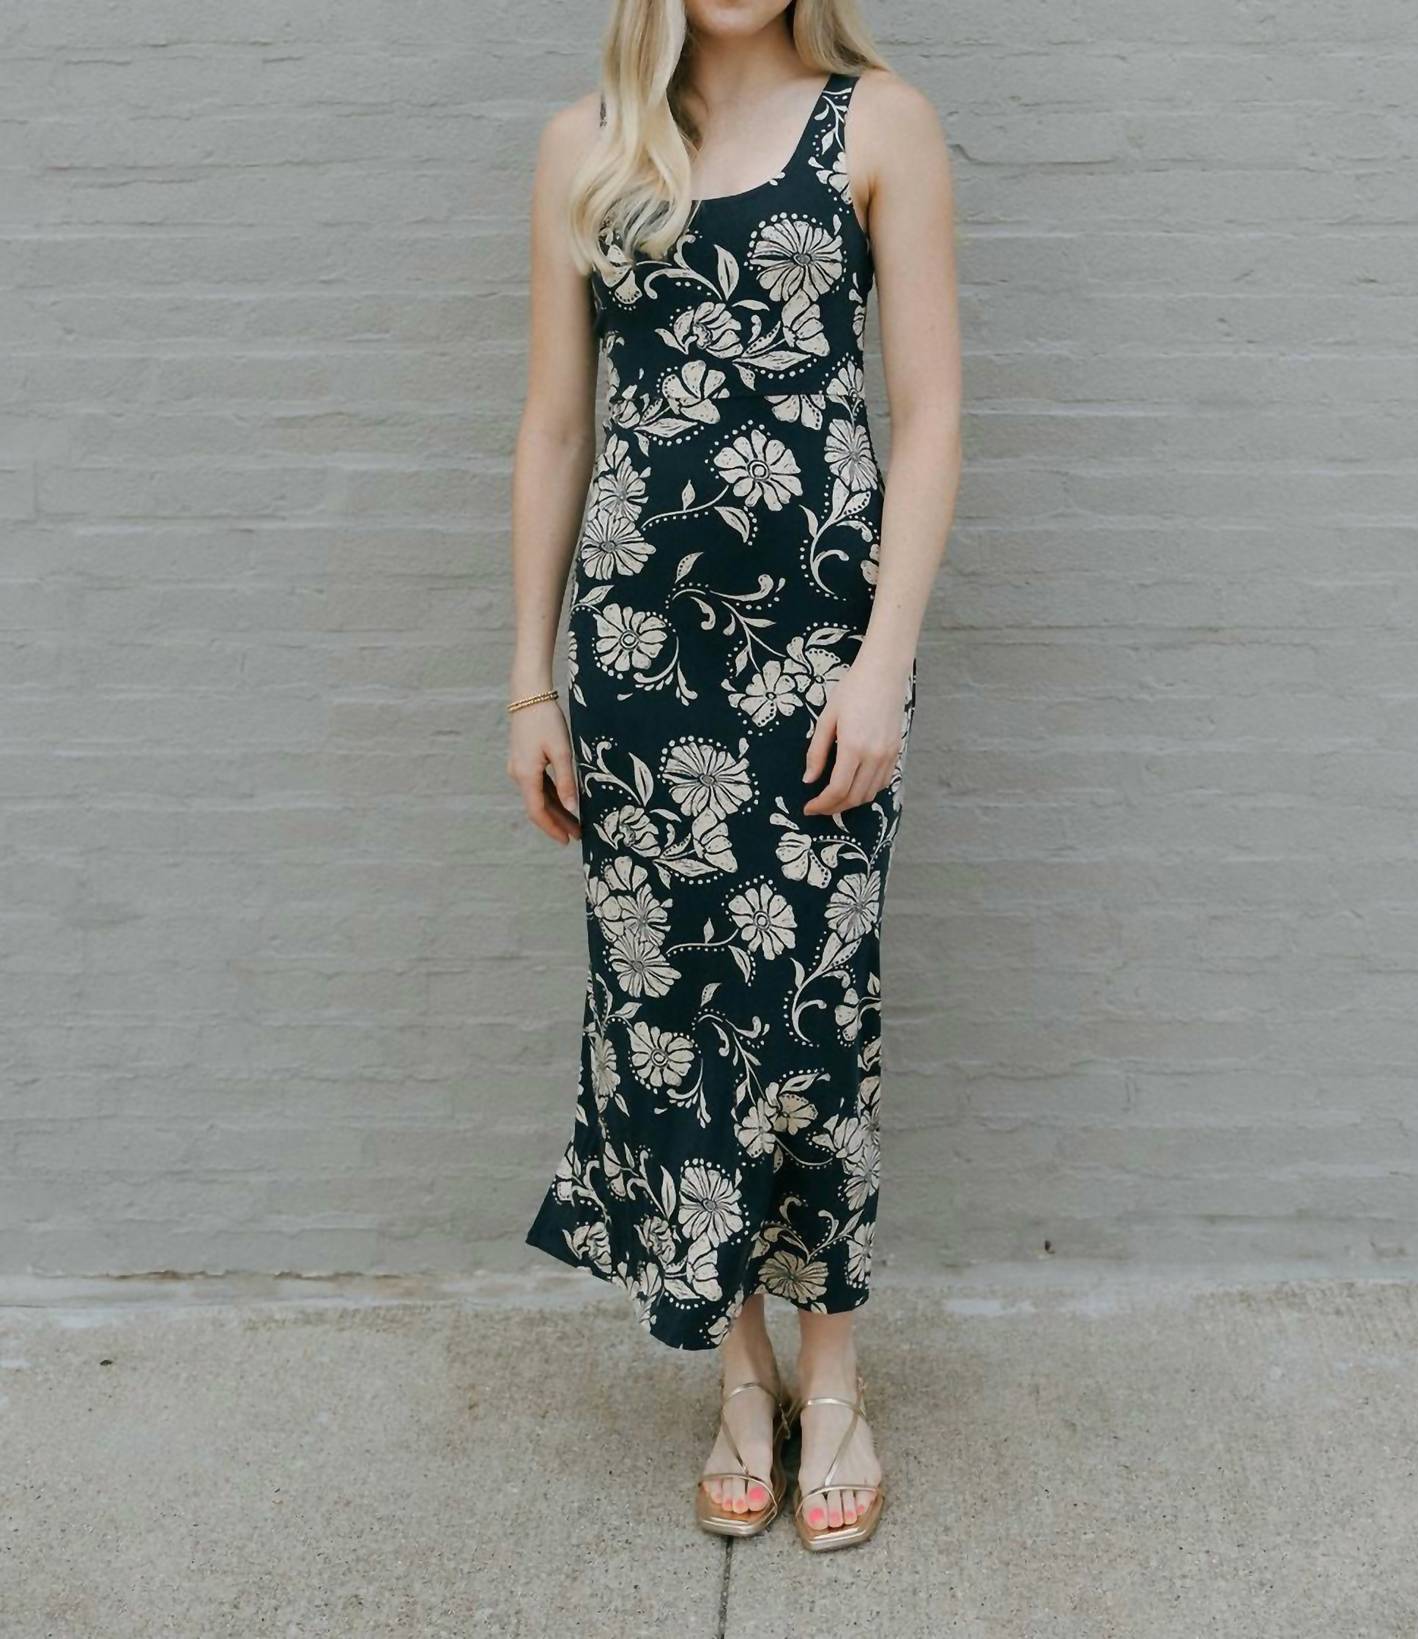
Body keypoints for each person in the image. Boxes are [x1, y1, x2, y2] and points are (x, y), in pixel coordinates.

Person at [508, 0, 960, 1551]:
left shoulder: (879, 123)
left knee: (814, 1016)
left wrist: (883, 666)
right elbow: (555, 429)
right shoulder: (585, 147)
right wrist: (529, 682)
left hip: (821, 664)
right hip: (640, 667)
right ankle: (739, 1370)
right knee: (675, 1020)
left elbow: (931, 415)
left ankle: (834, 1377)